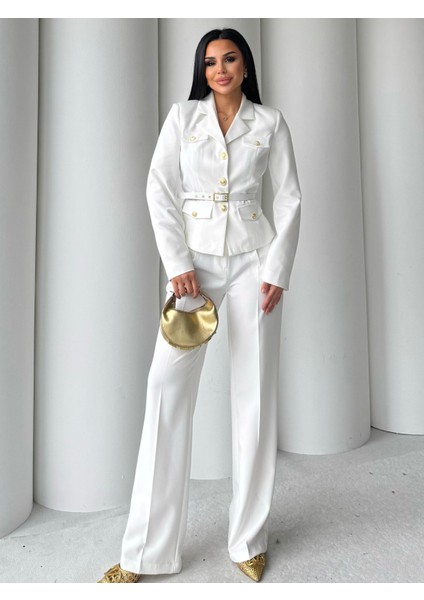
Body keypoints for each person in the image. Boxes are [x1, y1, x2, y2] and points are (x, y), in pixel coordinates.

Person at [98, 27, 301, 583]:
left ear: (245, 65)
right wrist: (177, 263)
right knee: (165, 390)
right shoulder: (182, 117)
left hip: (254, 265)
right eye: (210, 61)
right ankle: (145, 552)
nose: (220, 69)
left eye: (230, 59)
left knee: (254, 398)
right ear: (202, 70)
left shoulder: (270, 122)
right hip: (194, 270)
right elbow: (158, 188)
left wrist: (277, 270)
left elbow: (289, 196)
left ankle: (248, 541)